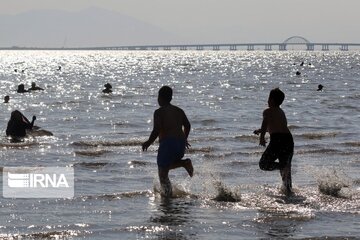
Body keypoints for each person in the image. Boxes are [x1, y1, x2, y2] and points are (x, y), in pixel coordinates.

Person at [142, 86, 193, 197]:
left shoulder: (159, 112)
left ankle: (167, 198)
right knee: (166, 167)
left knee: (162, 174)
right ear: (170, 98)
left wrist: (148, 142)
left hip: (168, 144)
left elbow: (157, 130)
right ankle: (184, 163)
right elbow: (187, 125)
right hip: (180, 144)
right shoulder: (179, 110)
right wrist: (184, 139)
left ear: (160, 98)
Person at [254, 88, 294, 195]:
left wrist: (262, 137)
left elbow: (265, 122)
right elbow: (276, 126)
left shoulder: (267, 111)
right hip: (288, 140)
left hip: (277, 140)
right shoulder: (281, 112)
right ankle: (288, 192)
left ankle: (282, 166)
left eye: (268, 98)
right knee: (286, 171)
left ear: (271, 100)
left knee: (263, 164)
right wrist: (261, 131)